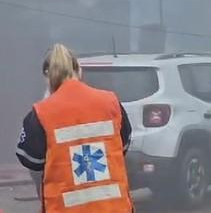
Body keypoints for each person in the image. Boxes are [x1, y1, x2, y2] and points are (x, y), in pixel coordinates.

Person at [16, 43, 134, 212]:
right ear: (79, 70)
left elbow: (30, 159)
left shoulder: (41, 113)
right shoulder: (111, 102)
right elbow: (123, 145)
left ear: (46, 77)